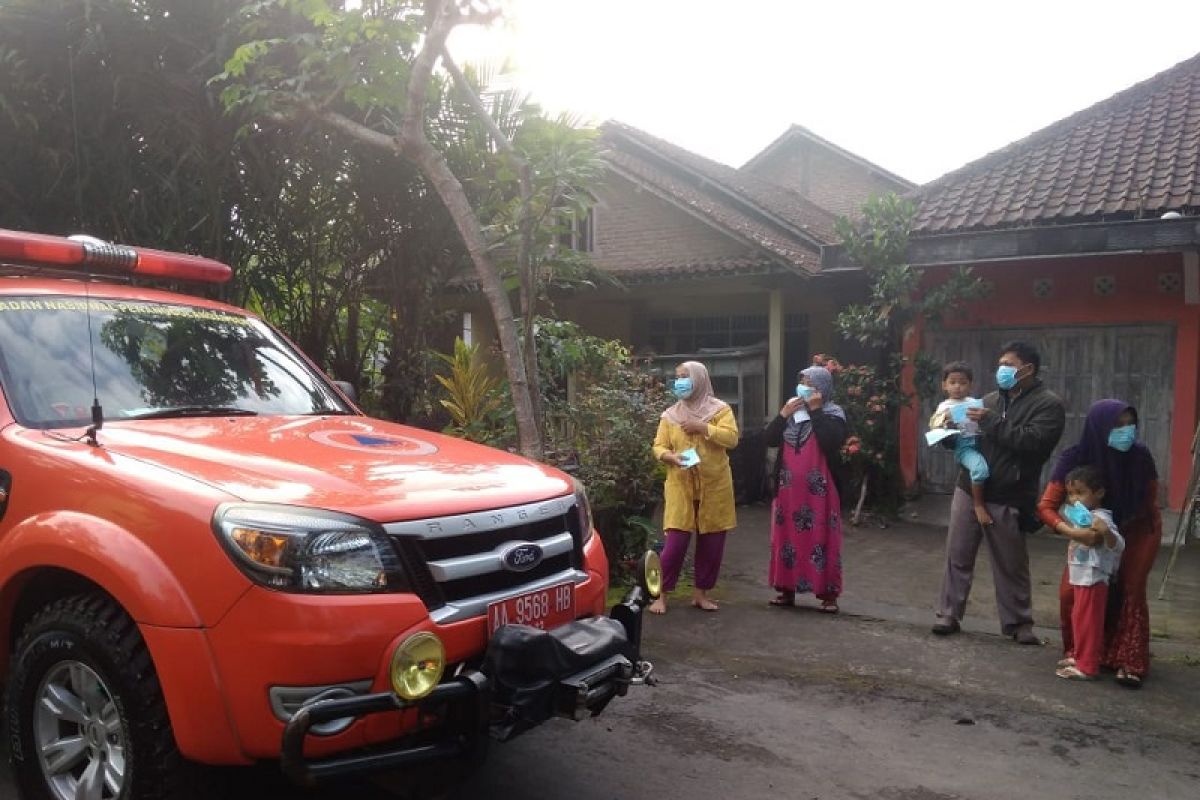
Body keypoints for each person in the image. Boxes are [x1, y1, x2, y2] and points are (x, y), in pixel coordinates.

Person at [932, 341, 1065, 643]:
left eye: (1008, 364)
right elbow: (971, 438)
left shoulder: (1048, 405)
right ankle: (948, 614)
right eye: (1000, 363)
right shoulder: (989, 399)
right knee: (958, 554)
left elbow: (1032, 442)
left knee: (1010, 562)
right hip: (970, 488)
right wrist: (949, 434)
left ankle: (1019, 623)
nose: (1001, 369)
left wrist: (991, 420)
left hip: (1009, 493)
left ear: (1027, 369)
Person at [1037, 399, 1161, 687]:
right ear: (1099, 427)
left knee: (1129, 586)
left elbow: (1149, 501)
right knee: (1073, 593)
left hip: (1137, 529)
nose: (1126, 431)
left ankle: (1129, 660)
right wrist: (1073, 532)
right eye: (1118, 425)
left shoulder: (1140, 457)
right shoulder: (1075, 457)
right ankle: (1084, 651)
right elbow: (1047, 506)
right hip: (1085, 535)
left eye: (1131, 424)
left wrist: (1111, 534)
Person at [648, 361, 738, 614]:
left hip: (714, 484)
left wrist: (703, 427)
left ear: (699, 379)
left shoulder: (720, 410)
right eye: (677, 377)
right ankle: (660, 596)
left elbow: (731, 438)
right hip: (680, 484)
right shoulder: (670, 415)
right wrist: (670, 457)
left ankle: (701, 594)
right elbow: (659, 446)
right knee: (675, 542)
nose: (680, 381)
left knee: (712, 542)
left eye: (685, 376)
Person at [765, 365, 848, 613]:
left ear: (823, 389)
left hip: (820, 494)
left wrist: (816, 411)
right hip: (788, 491)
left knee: (822, 539)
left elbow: (831, 442)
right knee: (786, 538)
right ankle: (785, 590)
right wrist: (782, 415)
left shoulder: (834, 414)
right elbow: (769, 439)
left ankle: (828, 595)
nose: (806, 389)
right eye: (802, 383)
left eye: (811, 385)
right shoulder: (792, 413)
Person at [1051, 465, 1125, 681]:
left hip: (1094, 577)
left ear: (1099, 493)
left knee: (1089, 622)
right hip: (1080, 576)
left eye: (1080, 493)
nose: (1075, 499)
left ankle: (1088, 666)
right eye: (1071, 494)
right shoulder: (1083, 516)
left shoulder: (1102, 517)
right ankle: (1080, 656)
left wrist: (1105, 531)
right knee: (1079, 618)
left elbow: (1119, 545)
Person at [928, 361, 991, 527]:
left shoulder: (975, 402)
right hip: (965, 446)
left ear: (970, 385)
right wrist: (945, 420)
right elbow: (934, 424)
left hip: (981, 441)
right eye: (953, 382)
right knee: (979, 469)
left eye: (963, 383)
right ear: (944, 385)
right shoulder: (944, 406)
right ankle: (978, 505)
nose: (958, 387)